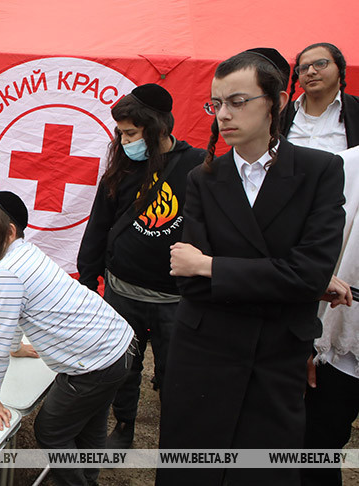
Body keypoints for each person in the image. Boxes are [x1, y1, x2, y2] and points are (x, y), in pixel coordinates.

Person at [158, 48, 349, 486]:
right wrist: (279, 278)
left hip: (275, 355)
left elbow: (309, 274)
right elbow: (191, 284)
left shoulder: (320, 171)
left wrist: (212, 266)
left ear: (277, 103)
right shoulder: (203, 178)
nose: (224, 114)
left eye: (238, 101)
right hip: (204, 352)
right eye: (217, 103)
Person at [0, 192, 134, 486]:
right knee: (90, 425)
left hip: (95, 364)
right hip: (119, 347)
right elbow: (16, 315)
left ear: (7, 233)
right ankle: (88, 478)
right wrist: (17, 348)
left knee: (50, 431)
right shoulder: (26, 253)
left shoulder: (8, 271)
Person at [77, 83, 205, 449]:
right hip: (122, 292)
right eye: (120, 132)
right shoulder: (121, 169)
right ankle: (125, 425)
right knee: (124, 367)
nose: (124, 139)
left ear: (156, 128)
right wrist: (89, 280)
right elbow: (98, 226)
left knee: (173, 373)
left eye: (130, 132)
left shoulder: (196, 167)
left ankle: (175, 437)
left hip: (174, 300)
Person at [302, 144, 358, 486]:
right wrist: (309, 340)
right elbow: (316, 258)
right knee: (317, 451)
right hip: (341, 341)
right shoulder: (346, 166)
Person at [284, 42, 359, 151]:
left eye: (320, 64)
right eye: (304, 68)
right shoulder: (281, 115)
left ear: (341, 70)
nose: (310, 72)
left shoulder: (355, 109)